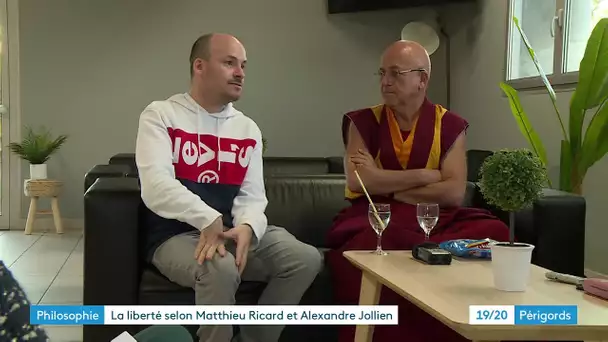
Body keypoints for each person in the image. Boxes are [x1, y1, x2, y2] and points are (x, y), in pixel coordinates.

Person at [135, 33, 323, 342]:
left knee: (305, 258)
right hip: (174, 235)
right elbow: (156, 185)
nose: (240, 73)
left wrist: (248, 226)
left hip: (231, 232)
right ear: (200, 66)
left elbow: (252, 196)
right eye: (229, 63)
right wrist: (206, 218)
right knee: (218, 267)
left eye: (243, 65)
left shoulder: (247, 128)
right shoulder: (160, 115)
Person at [325, 40, 511, 342]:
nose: (385, 82)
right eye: (382, 73)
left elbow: (452, 193)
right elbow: (360, 183)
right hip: (379, 215)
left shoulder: (449, 124)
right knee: (360, 250)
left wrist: (388, 184)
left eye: (396, 74)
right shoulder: (362, 121)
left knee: (495, 232)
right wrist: (425, 175)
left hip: (437, 217)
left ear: (422, 79)